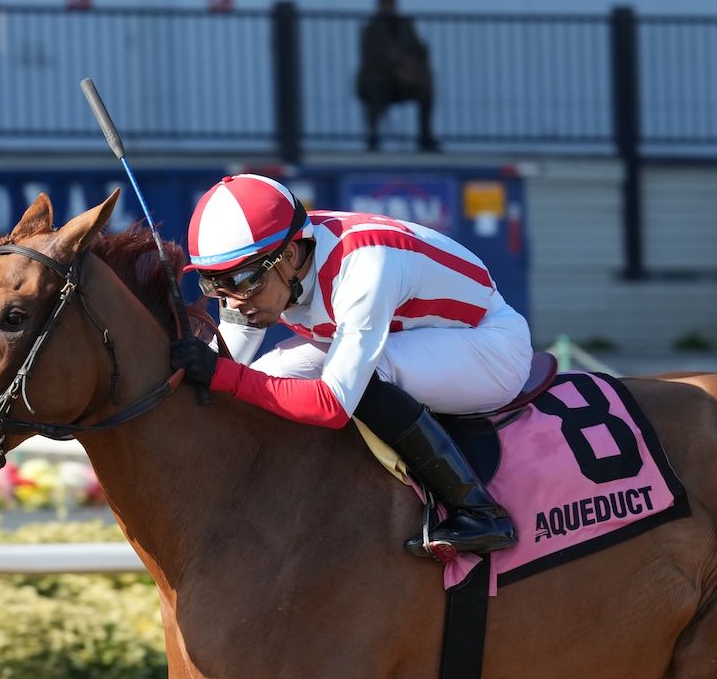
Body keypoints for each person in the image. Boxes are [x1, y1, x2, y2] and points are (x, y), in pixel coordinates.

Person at [170, 174, 534, 558]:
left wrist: (221, 373)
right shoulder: (270, 270)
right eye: (215, 285)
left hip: (490, 345)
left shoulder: (364, 266)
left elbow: (332, 405)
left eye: (242, 281)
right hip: (405, 335)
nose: (234, 301)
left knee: (368, 376)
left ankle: (477, 511)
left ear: (290, 256)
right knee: (268, 377)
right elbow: (229, 366)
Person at [355, 0, 439, 153]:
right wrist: (396, 66)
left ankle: (425, 137)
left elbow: (420, 50)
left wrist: (412, 68)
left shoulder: (405, 26)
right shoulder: (371, 29)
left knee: (426, 90)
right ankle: (373, 138)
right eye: (384, 5)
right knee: (374, 87)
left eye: (390, 5)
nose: (388, 8)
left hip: (403, 82)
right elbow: (371, 57)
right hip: (380, 80)